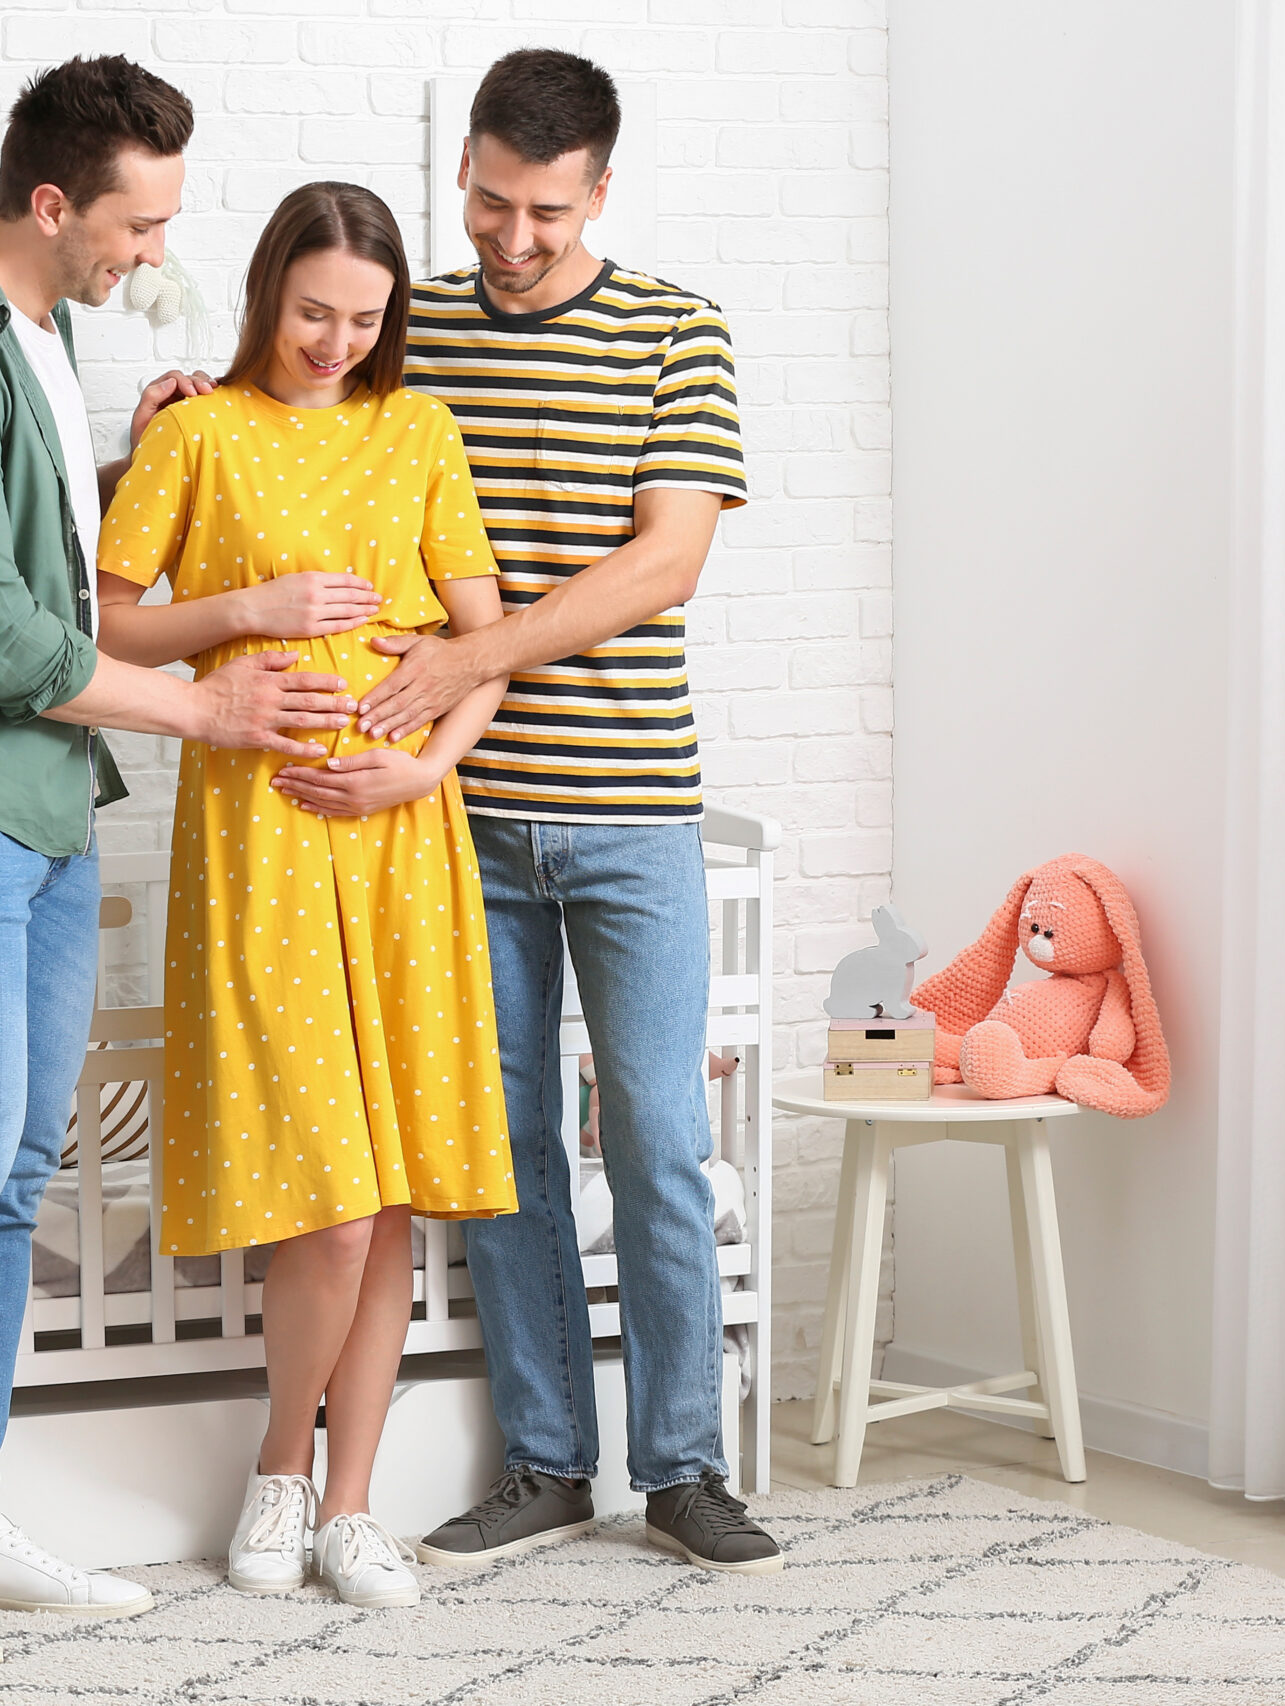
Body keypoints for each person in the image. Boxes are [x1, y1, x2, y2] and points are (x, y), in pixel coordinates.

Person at [0, 57, 357, 1668]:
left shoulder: (45, 336)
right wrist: (205, 705)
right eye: (135, 223)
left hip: (33, 799)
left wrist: (119, 457)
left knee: (20, 1158)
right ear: (52, 204)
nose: (152, 256)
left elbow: (31, 552)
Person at [373, 50, 784, 1575]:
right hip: (461, 818)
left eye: (544, 209)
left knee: (662, 1139)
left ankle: (686, 1467)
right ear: (466, 171)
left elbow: (661, 564)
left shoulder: (679, 330)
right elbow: (308, 443)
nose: (511, 236)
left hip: (632, 811)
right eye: (488, 201)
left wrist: (468, 654)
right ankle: (548, 1460)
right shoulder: (412, 330)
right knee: (506, 1141)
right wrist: (183, 406)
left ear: (599, 189)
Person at [95, 181, 517, 1609]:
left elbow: (487, 642)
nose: (337, 339)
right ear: (270, 292)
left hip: (402, 838)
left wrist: (432, 770)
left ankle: (352, 1507)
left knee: (388, 1193)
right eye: (313, 310)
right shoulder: (197, 431)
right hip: (262, 836)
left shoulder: (421, 432)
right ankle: (281, 1470)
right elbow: (103, 618)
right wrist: (244, 616)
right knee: (328, 1200)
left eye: (365, 316)